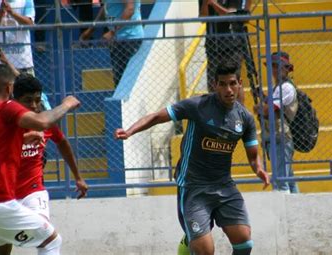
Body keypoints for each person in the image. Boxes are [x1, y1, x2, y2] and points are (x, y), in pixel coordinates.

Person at [114, 62, 270, 255]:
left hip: (224, 186)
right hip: (193, 186)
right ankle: (189, 240)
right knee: (205, 251)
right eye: (222, 84)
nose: (228, 89)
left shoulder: (244, 118)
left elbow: (253, 156)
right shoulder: (198, 106)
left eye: (232, 83)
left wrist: (259, 169)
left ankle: (191, 238)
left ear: (239, 83)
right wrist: (130, 131)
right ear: (215, 85)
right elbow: (156, 117)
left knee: (244, 242)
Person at [0, 64, 80, 255]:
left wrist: (21, 140)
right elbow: (43, 121)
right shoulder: (8, 108)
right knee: (51, 241)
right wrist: (67, 103)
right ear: (10, 89)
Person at [0, 73, 89, 255]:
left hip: (33, 192)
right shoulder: (3, 121)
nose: (34, 106)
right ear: (15, 100)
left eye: (37, 100)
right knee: (2, 248)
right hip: (5, 195)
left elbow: (63, 143)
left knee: (47, 240)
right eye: (28, 101)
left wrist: (78, 177)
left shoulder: (44, 121)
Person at [254, 51, 299, 194]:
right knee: (288, 178)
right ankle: (298, 208)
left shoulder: (286, 87)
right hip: (275, 137)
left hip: (281, 137)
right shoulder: (277, 88)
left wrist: (259, 108)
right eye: (272, 66)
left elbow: (269, 110)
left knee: (281, 181)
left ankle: (285, 214)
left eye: (278, 66)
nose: (275, 70)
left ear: (287, 69)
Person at [199, 0, 253, 104]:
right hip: (213, 47)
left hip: (232, 46)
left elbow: (230, 15)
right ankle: (216, 114)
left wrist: (213, 4)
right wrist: (206, 3)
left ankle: (238, 113)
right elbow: (202, 18)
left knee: (234, 82)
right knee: (213, 83)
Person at [80, 0, 144, 86]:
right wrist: (90, 30)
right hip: (118, 40)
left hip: (130, 39)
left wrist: (112, 32)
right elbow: (106, 7)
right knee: (118, 80)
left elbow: (130, 9)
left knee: (128, 81)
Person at [0, 0, 36, 76]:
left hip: (24, 62)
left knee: (28, 86)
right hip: (1, 63)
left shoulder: (27, 1)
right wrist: (1, 11)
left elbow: (30, 24)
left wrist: (12, 12)